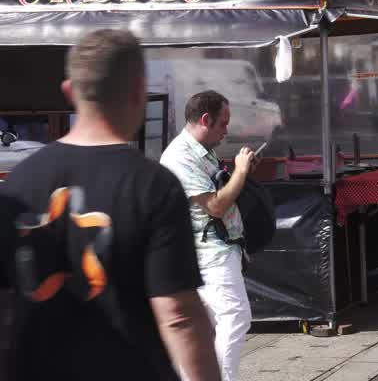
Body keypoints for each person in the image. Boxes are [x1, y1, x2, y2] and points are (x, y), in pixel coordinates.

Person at [0, 30, 221, 381]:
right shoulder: (154, 186)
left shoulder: (17, 183)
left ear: (70, 92)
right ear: (138, 92)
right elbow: (178, 315)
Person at [159, 90, 256, 381]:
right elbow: (215, 205)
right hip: (209, 253)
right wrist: (239, 172)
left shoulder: (204, 151)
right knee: (236, 316)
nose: (227, 130)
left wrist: (239, 174)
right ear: (205, 119)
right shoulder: (180, 157)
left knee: (207, 327)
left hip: (216, 250)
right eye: (223, 123)